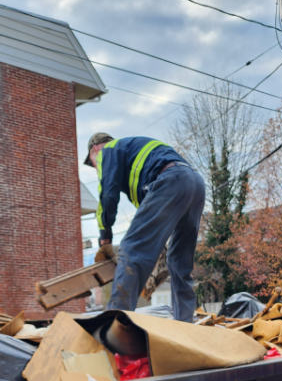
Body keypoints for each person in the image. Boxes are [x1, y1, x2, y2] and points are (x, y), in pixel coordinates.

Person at [84, 133, 205, 322]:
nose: (97, 167)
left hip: (170, 180)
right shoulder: (133, 156)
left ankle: (117, 325)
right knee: (179, 262)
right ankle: (185, 325)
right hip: (195, 184)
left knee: (132, 249)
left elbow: (108, 195)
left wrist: (105, 236)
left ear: (95, 150)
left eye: (93, 163)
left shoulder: (107, 151)